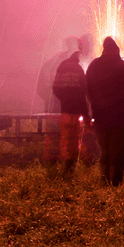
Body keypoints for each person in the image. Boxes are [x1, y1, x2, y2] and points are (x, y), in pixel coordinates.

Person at [86, 36, 124, 186]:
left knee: (105, 150)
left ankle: (105, 179)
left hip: (101, 116)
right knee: (120, 151)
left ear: (104, 49)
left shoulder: (93, 66)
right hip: (123, 118)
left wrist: (92, 109)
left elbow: (87, 90)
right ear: (117, 49)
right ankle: (116, 182)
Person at [50, 39, 91, 178]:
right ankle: (77, 165)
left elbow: (55, 88)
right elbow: (83, 93)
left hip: (65, 110)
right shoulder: (79, 69)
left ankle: (66, 167)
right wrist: (86, 114)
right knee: (76, 138)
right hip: (76, 110)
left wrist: (64, 99)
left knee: (66, 138)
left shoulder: (62, 66)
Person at [37, 38, 75, 171]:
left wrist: (49, 99)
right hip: (62, 107)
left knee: (53, 136)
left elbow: (40, 88)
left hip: (52, 107)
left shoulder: (49, 64)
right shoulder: (69, 65)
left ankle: (51, 165)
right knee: (65, 134)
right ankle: (64, 165)